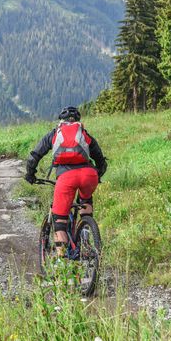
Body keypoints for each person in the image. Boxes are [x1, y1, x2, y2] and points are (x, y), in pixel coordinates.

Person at [25, 106, 107, 257]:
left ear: (61, 120)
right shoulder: (83, 133)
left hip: (66, 177)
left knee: (60, 222)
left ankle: (61, 266)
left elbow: (35, 155)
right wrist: (99, 174)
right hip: (89, 175)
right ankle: (86, 241)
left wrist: (30, 174)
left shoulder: (54, 133)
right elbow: (100, 158)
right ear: (77, 120)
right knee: (85, 200)